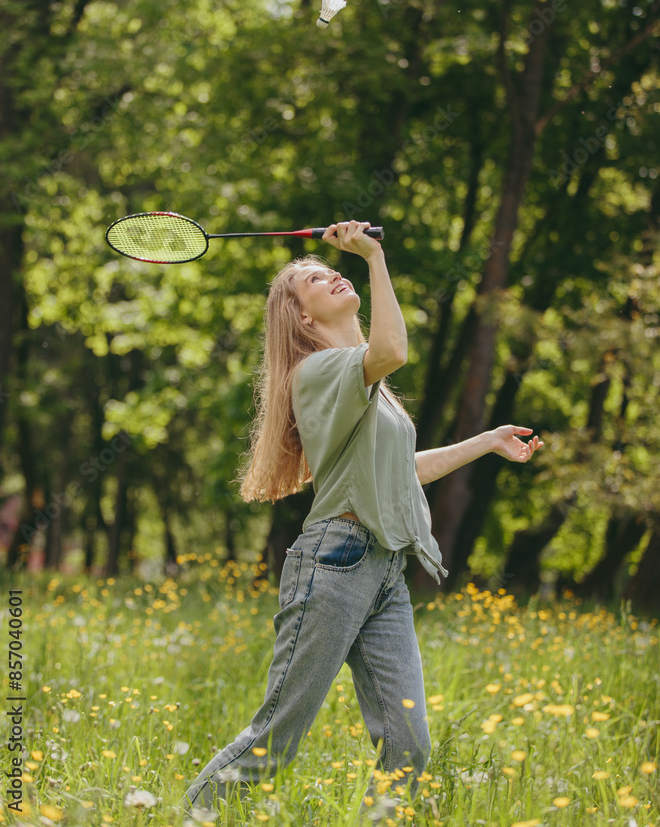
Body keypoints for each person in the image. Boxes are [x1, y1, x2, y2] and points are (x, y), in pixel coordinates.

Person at [184, 220, 543, 819]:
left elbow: (401, 471)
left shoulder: (360, 377)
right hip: (335, 564)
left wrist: (486, 442)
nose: (331, 274)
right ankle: (178, 816)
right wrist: (373, 257)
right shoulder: (319, 372)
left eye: (330, 269)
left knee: (408, 745)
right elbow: (393, 350)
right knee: (275, 740)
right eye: (313, 280)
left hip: (384, 572)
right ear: (302, 317)